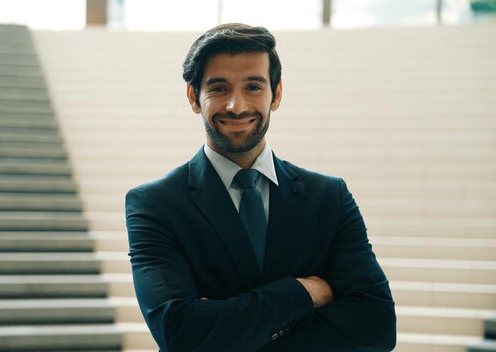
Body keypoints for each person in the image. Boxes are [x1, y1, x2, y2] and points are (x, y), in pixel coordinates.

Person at [125, 23, 396, 351]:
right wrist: (302, 293)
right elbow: (180, 333)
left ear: (276, 94)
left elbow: (376, 327)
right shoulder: (154, 204)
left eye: (253, 87)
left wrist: (225, 329)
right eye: (219, 88)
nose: (236, 106)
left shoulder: (329, 197)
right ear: (194, 97)